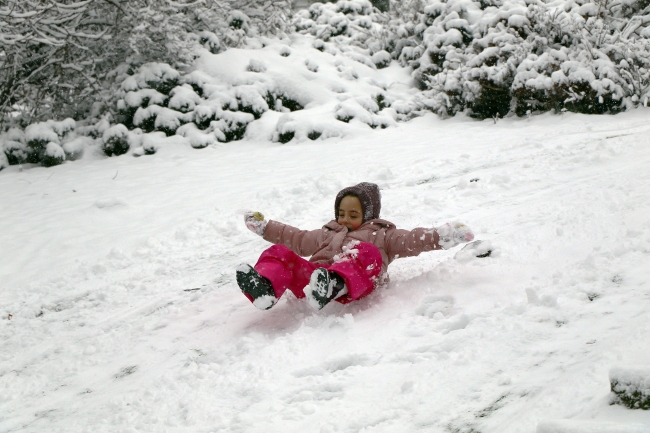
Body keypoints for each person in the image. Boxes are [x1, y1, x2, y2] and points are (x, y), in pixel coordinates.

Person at [236, 182, 474, 311]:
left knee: (367, 253)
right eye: (341, 213)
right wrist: (266, 227)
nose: (345, 219)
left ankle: (334, 285)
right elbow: (296, 238)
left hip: (356, 286)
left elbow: (412, 239)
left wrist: (441, 235)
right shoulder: (327, 232)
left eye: (353, 214)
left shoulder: (382, 235)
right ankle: (265, 288)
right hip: (312, 286)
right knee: (280, 252)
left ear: (368, 215)